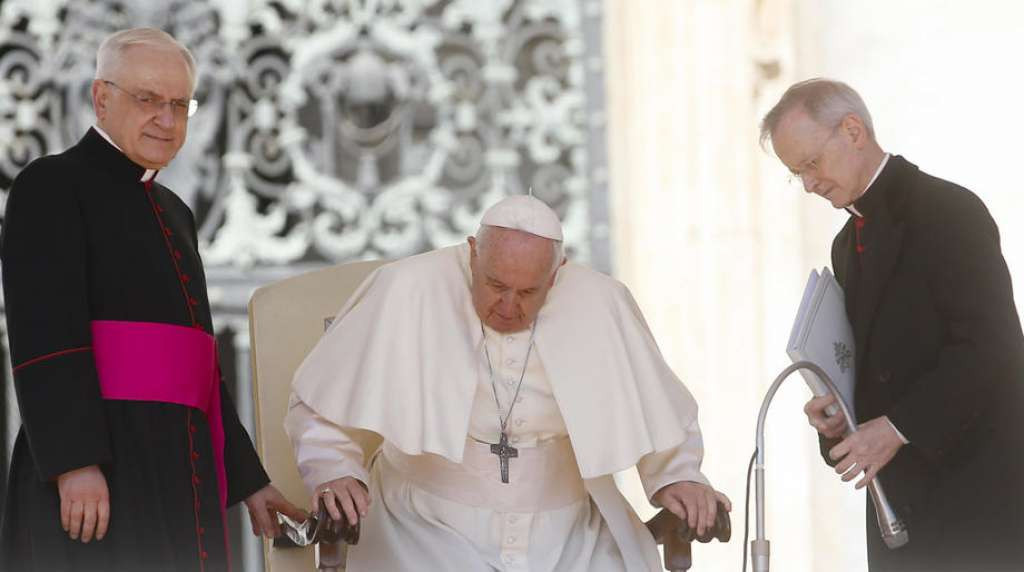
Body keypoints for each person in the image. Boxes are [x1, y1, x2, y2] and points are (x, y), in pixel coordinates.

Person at [285, 195, 731, 571]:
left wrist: (678, 477)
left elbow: (657, 414)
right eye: (495, 285)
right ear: (473, 252)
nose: (508, 305)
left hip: (571, 533)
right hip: (421, 528)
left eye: (528, 293)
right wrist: (335, 470)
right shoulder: (407, 287)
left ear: (555, 276)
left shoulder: (602, 302)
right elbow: (320, 405)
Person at [0, 28, 303, 571]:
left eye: (179, 104)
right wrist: (76, 463)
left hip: (178, 469)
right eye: (147, 100)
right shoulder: (50, 184)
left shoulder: (174, 210)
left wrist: (250, 482)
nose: (167, 119)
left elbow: (199, 370)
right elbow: (42, 333)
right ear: (101, 98)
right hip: (102, 467)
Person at [760, 78, 1024, 571]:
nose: (810, 184)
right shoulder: (844, 245)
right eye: (797, 174)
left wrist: (900, 427)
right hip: (903, 515)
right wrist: (841, 415)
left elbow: (994, 349)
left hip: (975, 505)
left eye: (812, 164)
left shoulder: (949, 211)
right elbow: (878, 370)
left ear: (853, 130)